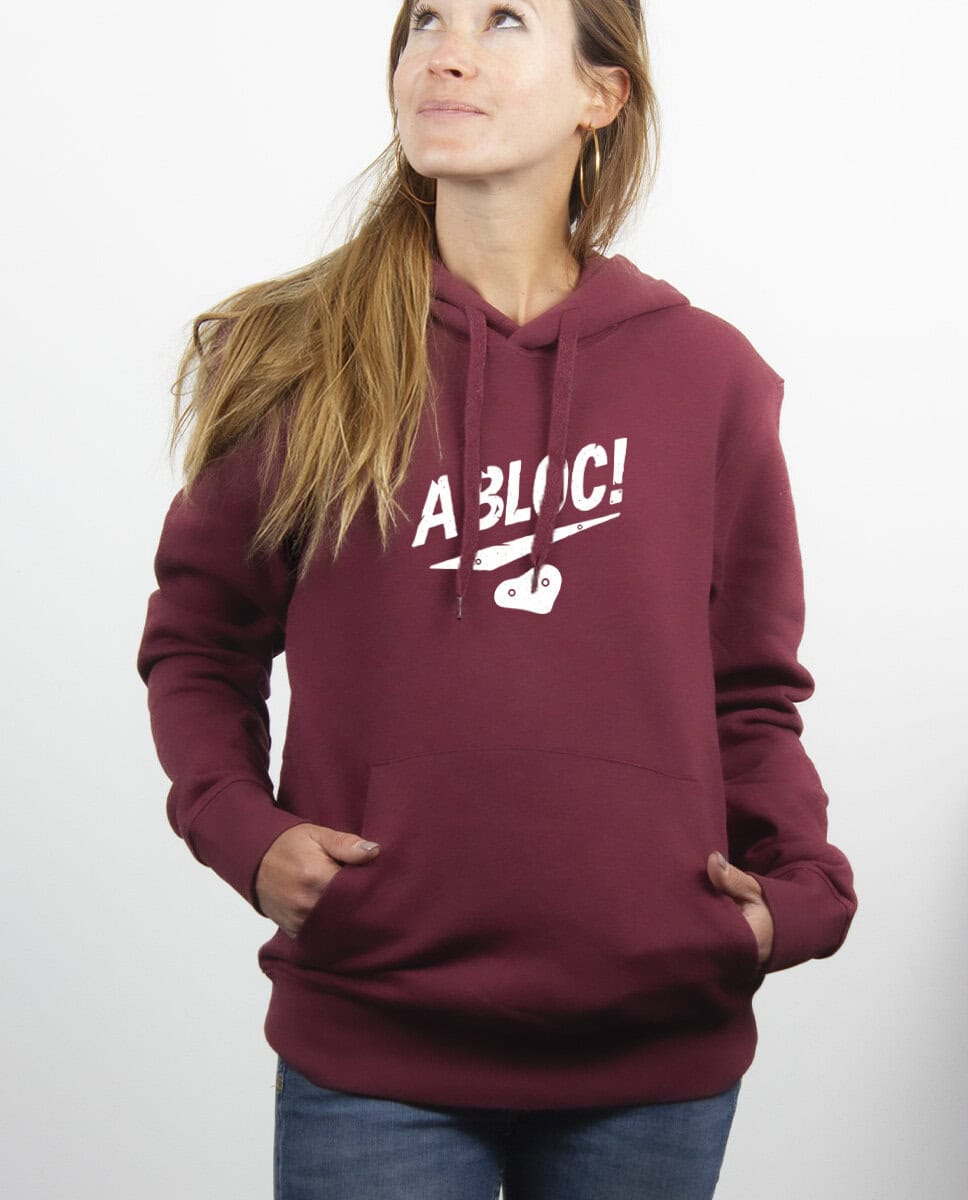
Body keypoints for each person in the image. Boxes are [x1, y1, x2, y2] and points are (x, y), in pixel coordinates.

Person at [136, 2, 858, 1197]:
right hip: (377, 1036)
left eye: (505, 19)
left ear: (600, 95)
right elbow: (200, 642)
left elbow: (746, 690)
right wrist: (242, 833)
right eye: (425, 19)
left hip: (653, 1041)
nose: (447, 51)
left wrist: (798, 889)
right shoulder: (302, 354)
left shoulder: (707, 377)